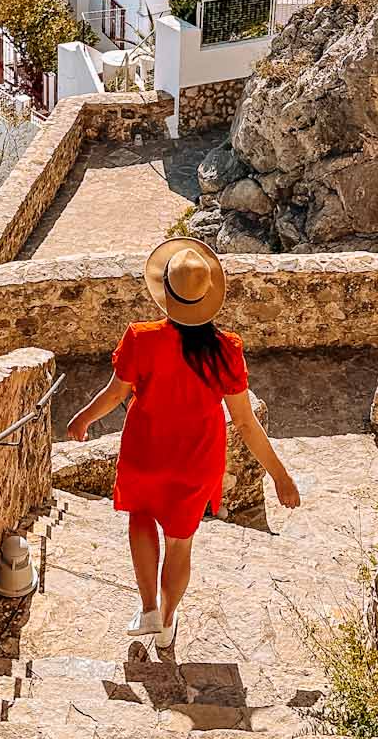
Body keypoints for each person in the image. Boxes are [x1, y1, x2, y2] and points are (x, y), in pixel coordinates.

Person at [66, 236, 300, 652]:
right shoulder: (227, 350)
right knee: (180, 543)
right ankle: (168, 623)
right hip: (197, 461)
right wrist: (280, 476)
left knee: (139, 514)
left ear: (166, 295)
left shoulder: (141, 338)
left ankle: (148, 608)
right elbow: (244, 423)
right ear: (209, 297)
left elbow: (116, 394)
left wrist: (83, 418)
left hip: (146, 451)